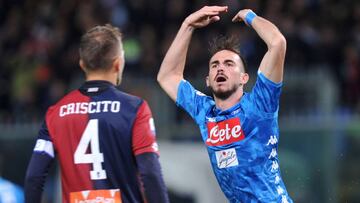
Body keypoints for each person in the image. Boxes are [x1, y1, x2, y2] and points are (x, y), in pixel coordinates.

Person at [157, 6, 292, 203]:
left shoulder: (260, 104)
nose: (221, 67)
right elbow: (167, 76)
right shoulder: (205, 112)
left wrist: (250, 17)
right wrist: (188, 25)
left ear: (244, 78)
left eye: (229, 64)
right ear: (208, 80)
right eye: (215, 65)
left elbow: (277, 43)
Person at [25, 24, 169, 203]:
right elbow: (150, 174)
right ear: (118, 63)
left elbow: (34, 177)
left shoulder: (56, 113)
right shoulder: (134, 108)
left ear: (82, 64)